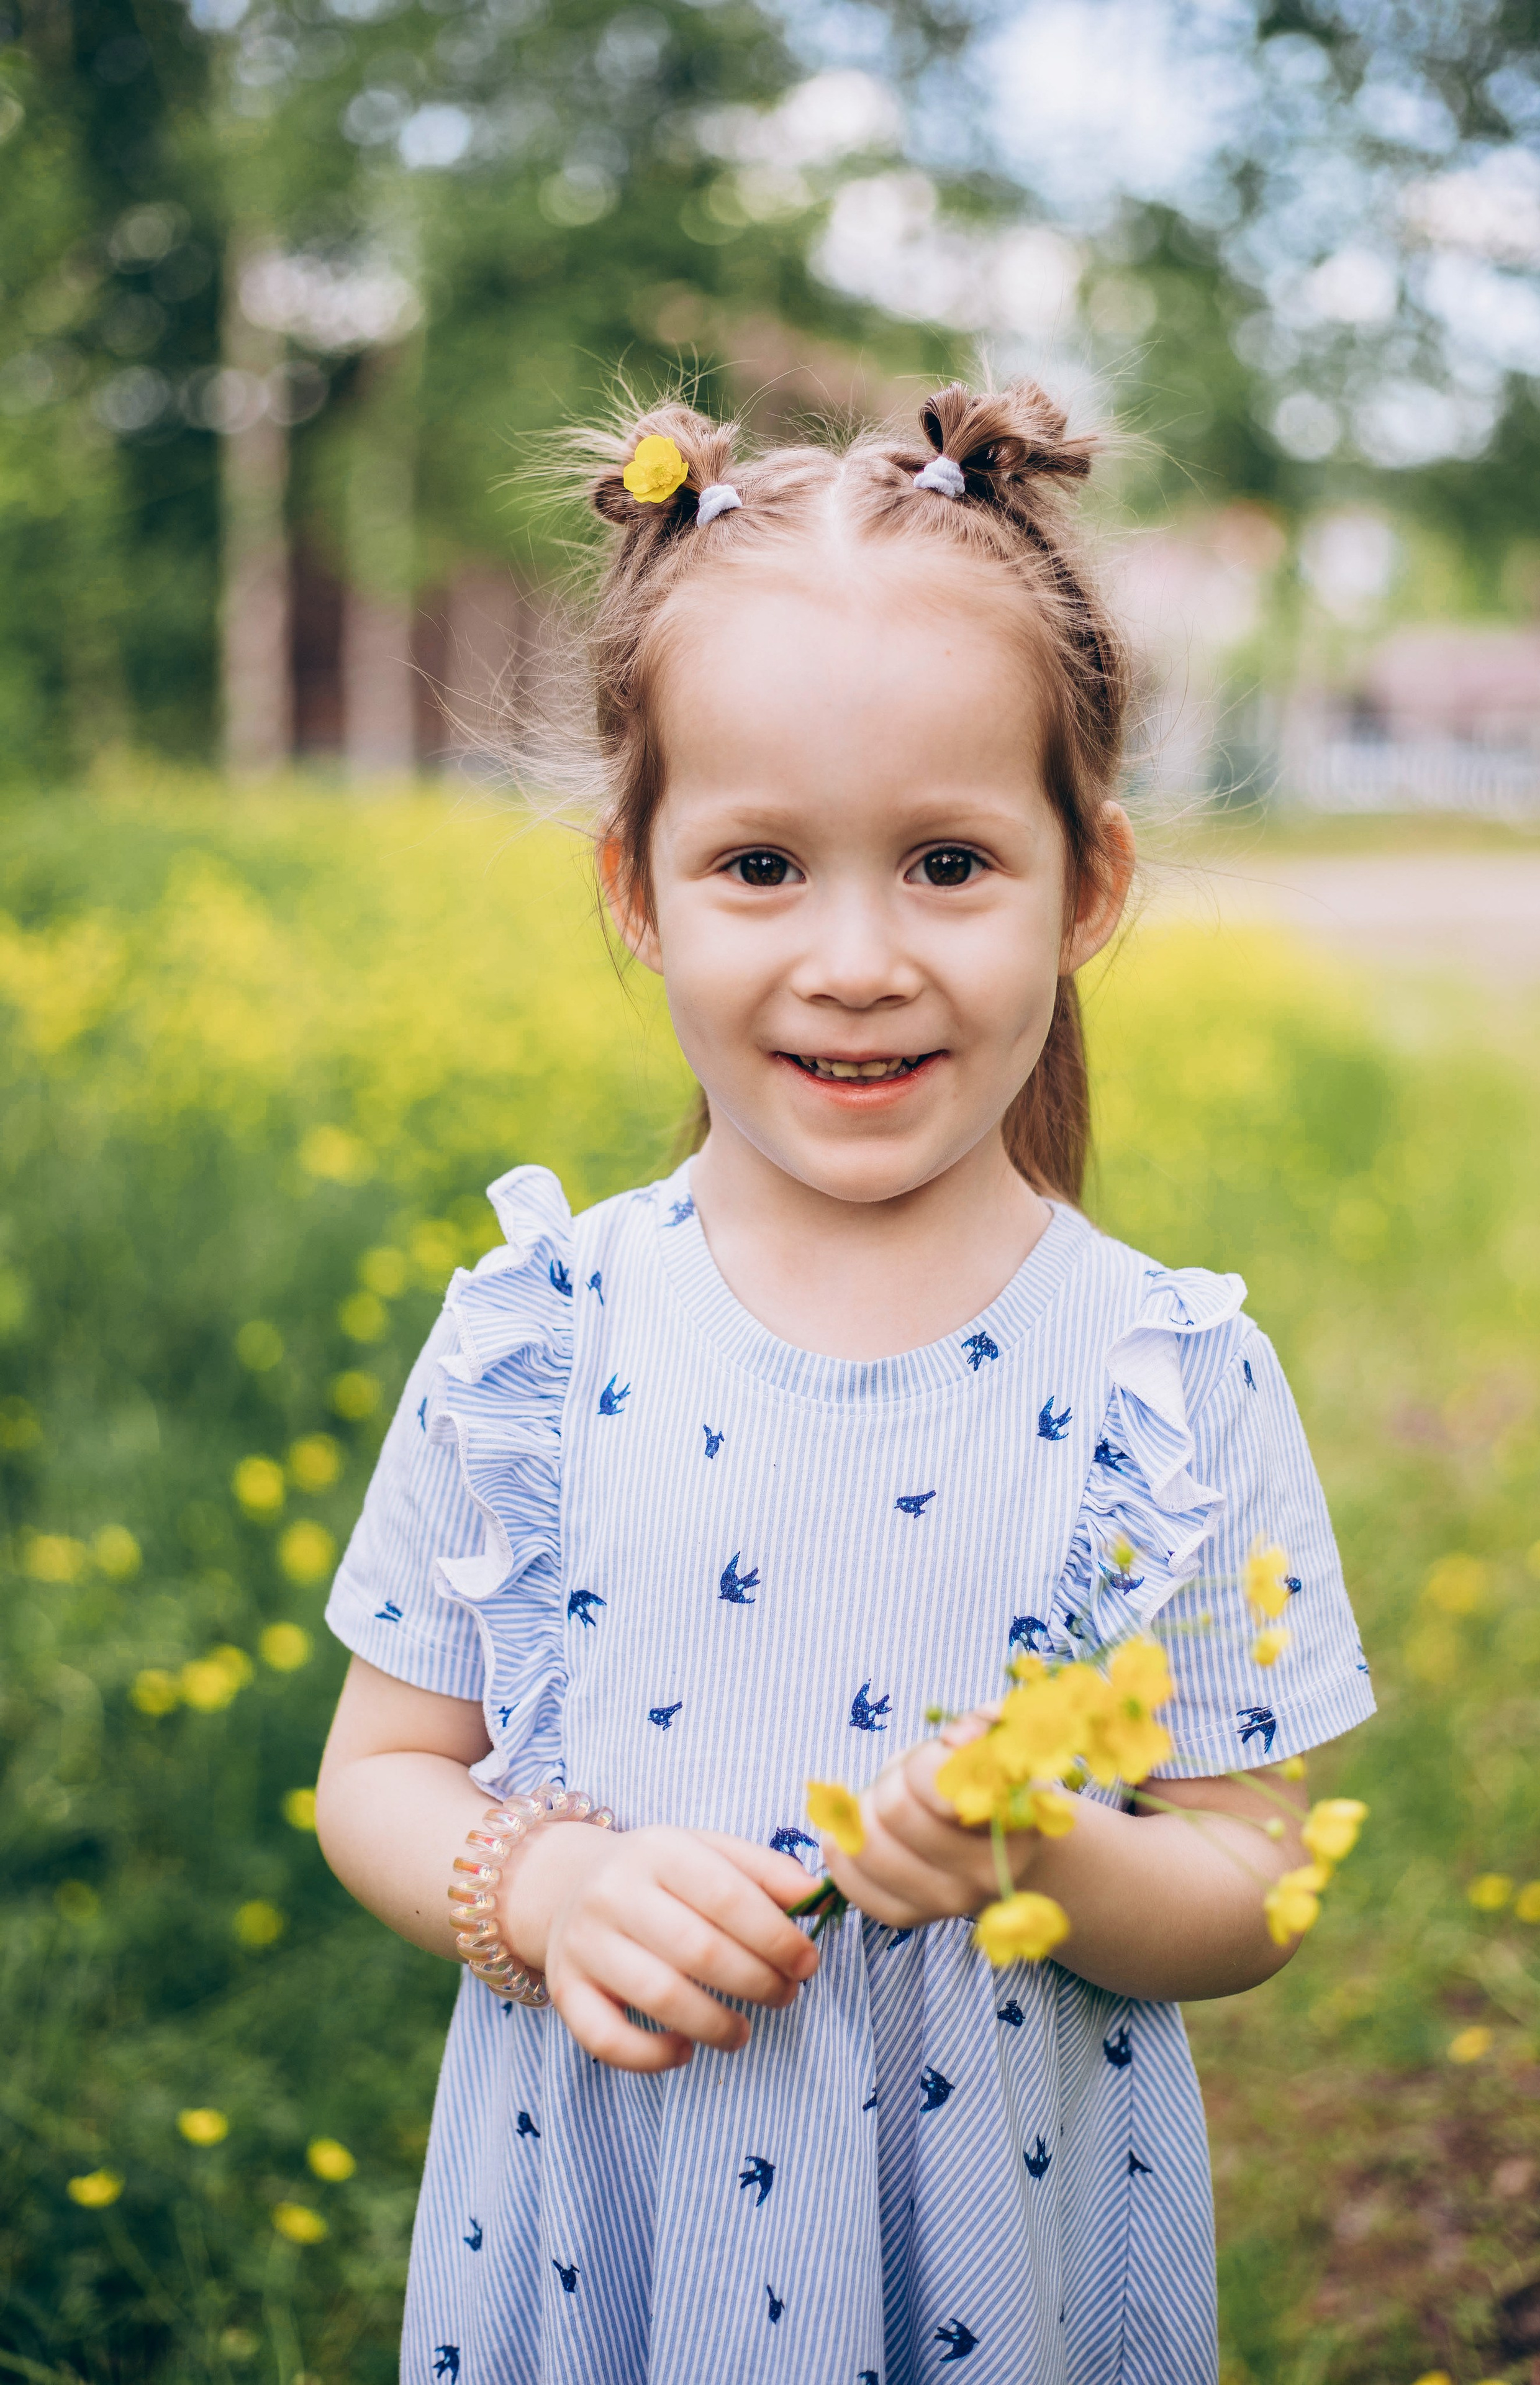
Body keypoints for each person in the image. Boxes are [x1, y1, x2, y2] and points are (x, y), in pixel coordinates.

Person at [314, 383, 1375, 2385]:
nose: (859, 957)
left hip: (998, 2266)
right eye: (761, 866)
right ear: (637, 890)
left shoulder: (1167, 1383)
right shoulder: (539, 1340)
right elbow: (378, 1775)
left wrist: (1052, 1861)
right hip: (609, 2250)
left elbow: (1254, 1877)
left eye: (951, 861)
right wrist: (549, 1889)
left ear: (1090, 888)